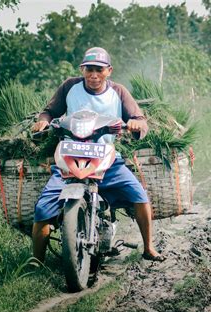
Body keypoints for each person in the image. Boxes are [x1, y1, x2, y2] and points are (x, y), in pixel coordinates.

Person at [31, 47, 164, 263]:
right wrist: (43, 121)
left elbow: (139, 118)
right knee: (43, 208)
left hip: (106, 160)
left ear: (109, 71)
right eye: (89, 69)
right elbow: (49, 112)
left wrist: (136, 123)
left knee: (139, 196)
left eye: (99, 70)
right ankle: (36, 262)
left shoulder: (118, 92)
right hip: (70, 157)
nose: (94, 75)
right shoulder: (69, 87)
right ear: (82, 70)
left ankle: (148, 247)